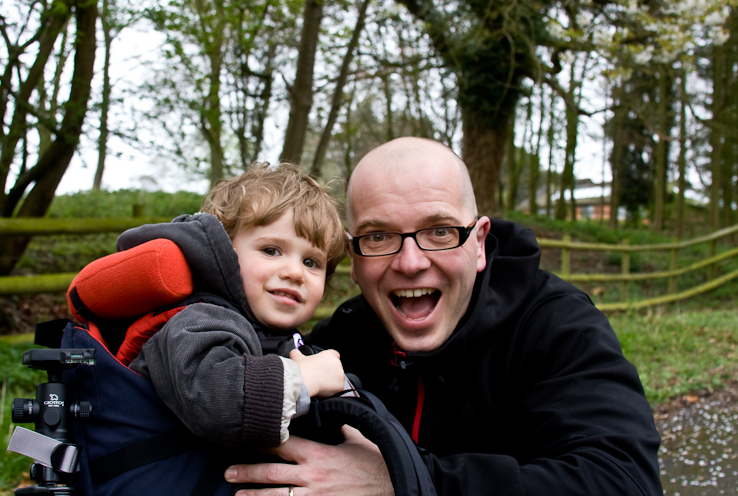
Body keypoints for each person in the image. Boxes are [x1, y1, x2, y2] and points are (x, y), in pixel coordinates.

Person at [224, 137, 663, 495]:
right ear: (353, 257)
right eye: (379, 236)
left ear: (478, 242)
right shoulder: (335, 345)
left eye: (439, 231)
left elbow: (623, 481)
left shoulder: (556, 327)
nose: (411, 262)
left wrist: (403, 482)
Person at [119, 161, 349, 448]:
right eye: (271, 250)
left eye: (311, 262)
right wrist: (304, 378)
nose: (295, 273)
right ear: (224, 252)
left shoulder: (276, 337)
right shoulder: (199, 322)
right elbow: (214, 402)